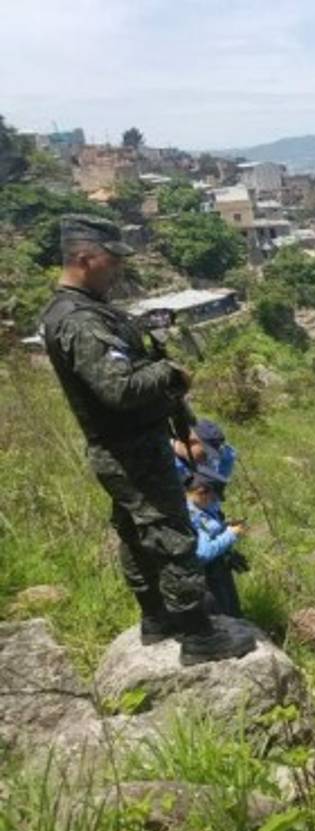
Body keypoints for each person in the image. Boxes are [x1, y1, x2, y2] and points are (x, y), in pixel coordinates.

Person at [40, 214, 255, 666]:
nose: (118, 270)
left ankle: (157, 619)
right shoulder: (78, 320)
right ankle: (198, 633)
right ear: (84, 257)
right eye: (111, 260)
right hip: (130, 448)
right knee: (171, 534)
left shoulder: (83, 311)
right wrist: (169, 372)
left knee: (136, 534)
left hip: (125, 446)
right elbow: (118, 388)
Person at [184, 467, 246, 618]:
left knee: (233, 611)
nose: (214, 502)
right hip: (208, 577)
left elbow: (211, 531)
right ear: (201, 492)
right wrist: (230, 535)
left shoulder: (201, 508)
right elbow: (203, 553)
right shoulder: (191, 515)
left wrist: (226, 528)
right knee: (224, 615)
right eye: (212, 498)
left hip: (219, 570)